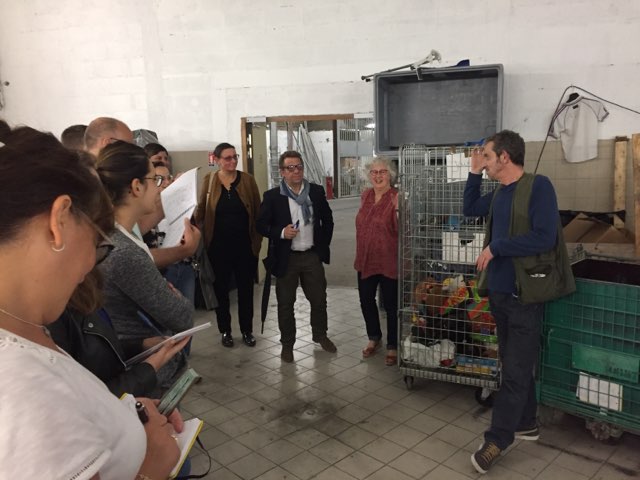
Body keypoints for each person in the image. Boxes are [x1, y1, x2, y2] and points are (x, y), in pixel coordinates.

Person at [0, 126, 180, 479]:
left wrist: (124, 414)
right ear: (60, 221)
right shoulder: (22, 385)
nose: (89, 269)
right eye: (98, 244)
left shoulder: (25, 329)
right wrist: (151, 467)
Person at [463, 130, 573, 474]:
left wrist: (497, 247)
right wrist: (473, 172)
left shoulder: (538, 187)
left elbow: (544, 237)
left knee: (514, 370)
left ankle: (497, 439)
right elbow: (470, 209)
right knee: (514, 364)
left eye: (488, 156)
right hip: (499, 293)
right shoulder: (499, 193)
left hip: (524, 296)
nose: (485, 161)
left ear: (505, 157)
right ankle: (526, 423)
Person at [97, 140, 194, 389]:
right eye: (155, 180)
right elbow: (182, 317)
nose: (158, 187)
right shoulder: (124, 252)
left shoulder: (111, 233)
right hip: (145, 376)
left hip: (134, 358)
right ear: (136, 187)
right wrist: (174, 295)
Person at [257, 150, 336, 363]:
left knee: (319, 300)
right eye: (290, 168)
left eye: (299, 166)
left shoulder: (316, 192)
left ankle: (320, 335)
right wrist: (282, 232)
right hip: (287, 258)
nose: (296, 171)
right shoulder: (273, 197)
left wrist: (322, 245)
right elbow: (261, 225)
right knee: (285, 304)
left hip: (311, 256)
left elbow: (328, 220)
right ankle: (287, 344)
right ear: (282, 172)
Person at [195, 142, 262, 348]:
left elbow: (257, 212)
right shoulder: (210, 181)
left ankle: (247, 330)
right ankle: (225, 331)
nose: (233, 161)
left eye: (235, 157)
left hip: (244, 248)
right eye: (227, 158)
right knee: (221, 291)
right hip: (218, 248)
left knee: (246, 291)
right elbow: (201, 212)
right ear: (216, 160)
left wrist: (257, 241)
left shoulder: (248, 180)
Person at [355, 157, 399, 366]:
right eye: (374, 172)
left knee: (391, 305)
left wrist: (399, 211)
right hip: (366, 257)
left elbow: (404, 230)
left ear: (390, 174)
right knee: (366, 300)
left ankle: (393, 345)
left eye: (383, 172)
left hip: (389, 259)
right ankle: (374, 337)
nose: (378, 176)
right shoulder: (365, 195)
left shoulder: (397, 197)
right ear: (369, 175)